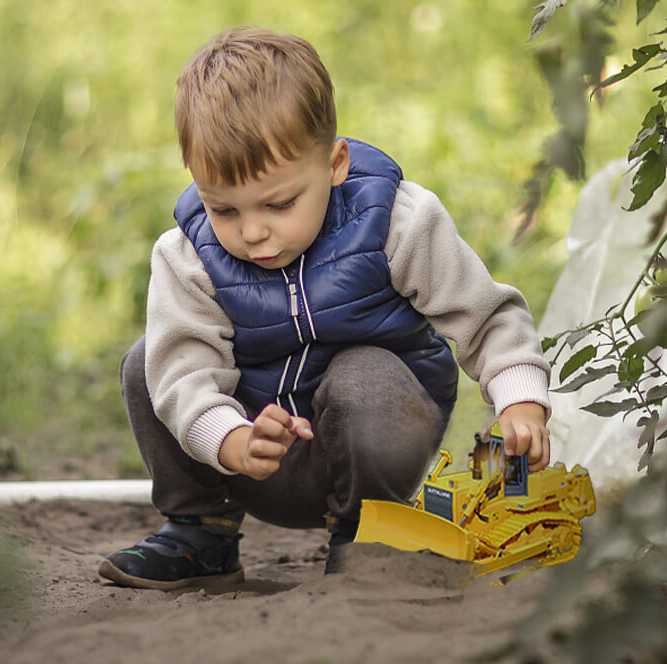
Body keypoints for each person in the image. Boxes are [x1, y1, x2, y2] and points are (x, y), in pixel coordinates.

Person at [99, 27, 552, 590]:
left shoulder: (397, 222)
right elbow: (183, 371)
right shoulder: (187, 255)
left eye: (280, 203)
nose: (254, 232)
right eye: (225, 209)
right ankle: (201, 531)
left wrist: (521, 402)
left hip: (375, 444)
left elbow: (486, 316)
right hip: (251, 457)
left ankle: (368, 534)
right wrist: (232, 439)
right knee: (149, 361)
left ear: (335, 164)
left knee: (364, 368)